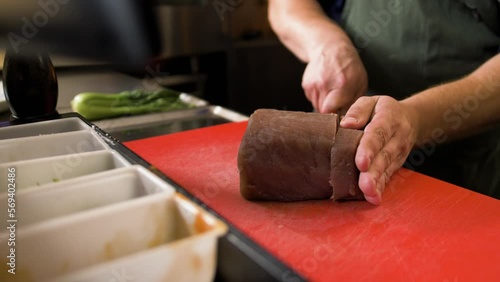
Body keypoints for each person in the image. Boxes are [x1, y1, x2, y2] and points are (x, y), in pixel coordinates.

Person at [268, 0, 500, 205]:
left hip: (463, 176)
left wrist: (415, 118)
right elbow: (285, 5)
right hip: (339, 152)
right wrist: (327, 45)